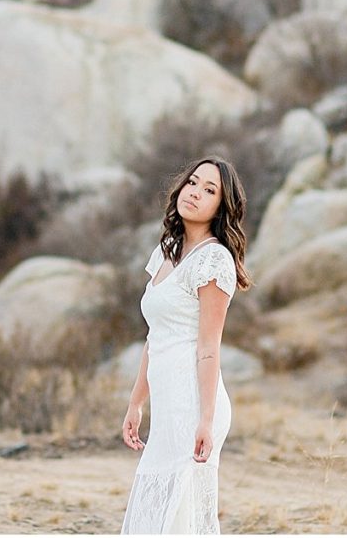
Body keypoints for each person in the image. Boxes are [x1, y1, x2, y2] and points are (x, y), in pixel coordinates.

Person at [120, 155, 252, 534]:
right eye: (193, 182)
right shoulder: (164, 251)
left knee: (180, 520)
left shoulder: (214, 261)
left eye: (209, 190)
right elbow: (154, 336)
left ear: (220, 208)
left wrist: (206, 420)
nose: (195, 193)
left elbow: (209, 347)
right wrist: (135, 402)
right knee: (156, 517)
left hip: (194, 406)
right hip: (166, 406)